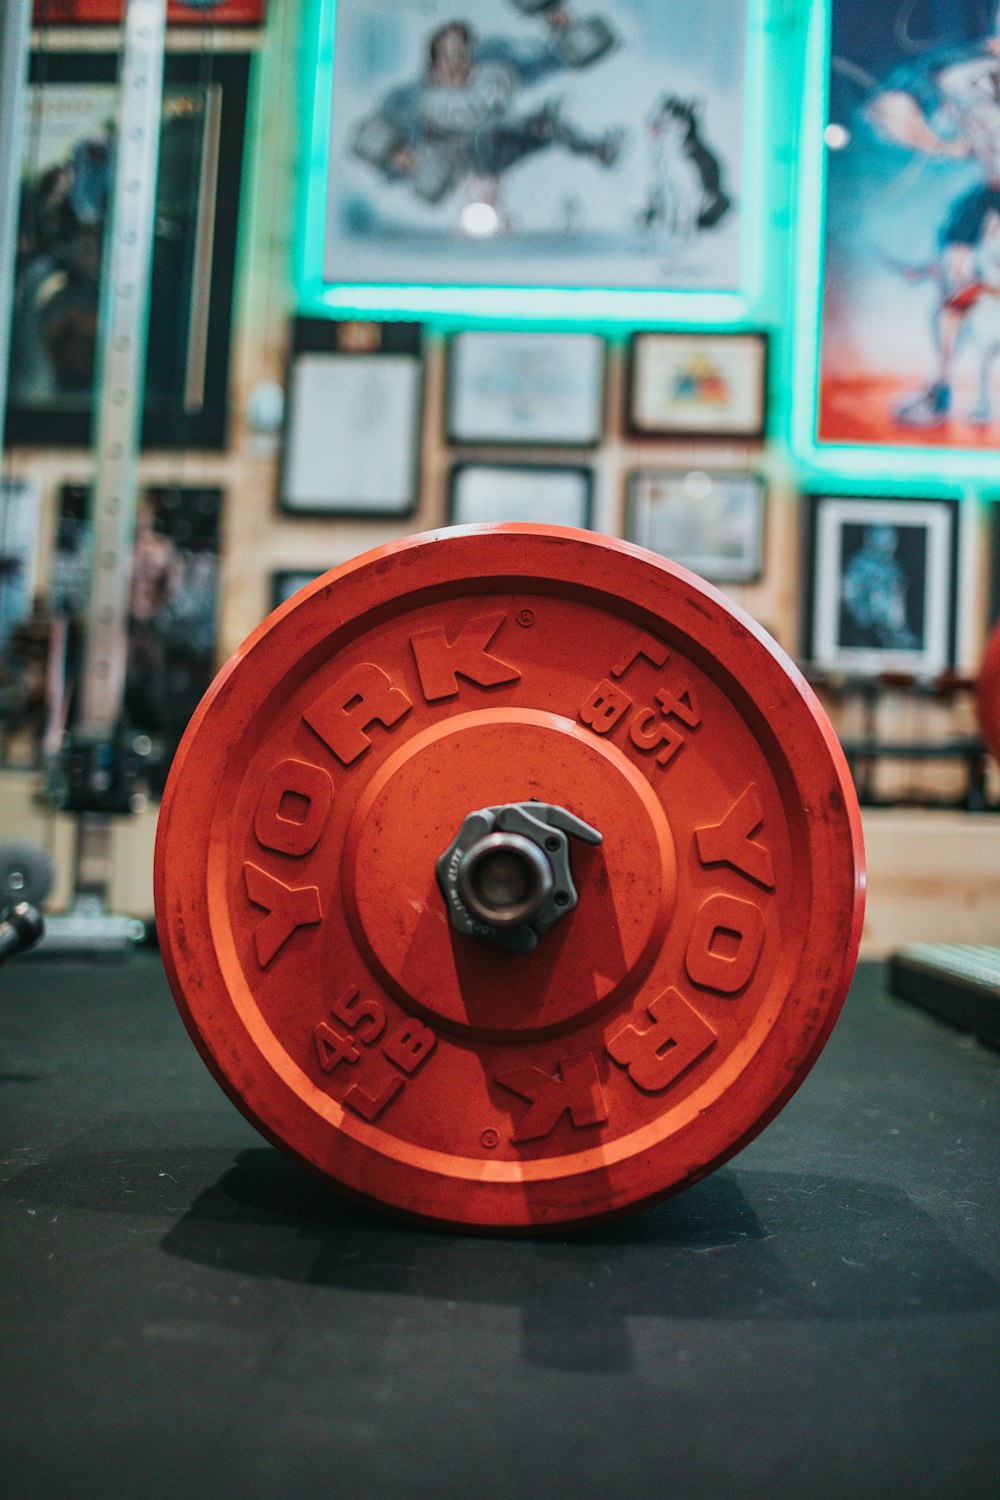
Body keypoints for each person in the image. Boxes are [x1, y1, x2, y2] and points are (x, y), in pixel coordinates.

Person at [864, 9, 1000, 427]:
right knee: (956, 285)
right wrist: (933, 140)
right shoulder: (957, 66)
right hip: (988, 195)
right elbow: (887, 108)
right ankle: (940, 388)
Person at [354, 14, 622, 208]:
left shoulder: (494, 75)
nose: (454, 64)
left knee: (543, 126)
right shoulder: (414, 102)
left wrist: (565, 42)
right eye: (445, 56)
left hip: (500, 143)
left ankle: (599, 149)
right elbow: (383, 146)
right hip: (467, 156)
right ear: (433, 61)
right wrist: (400, 159)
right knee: (517, 128)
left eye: (461, 55)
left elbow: (542, 63)